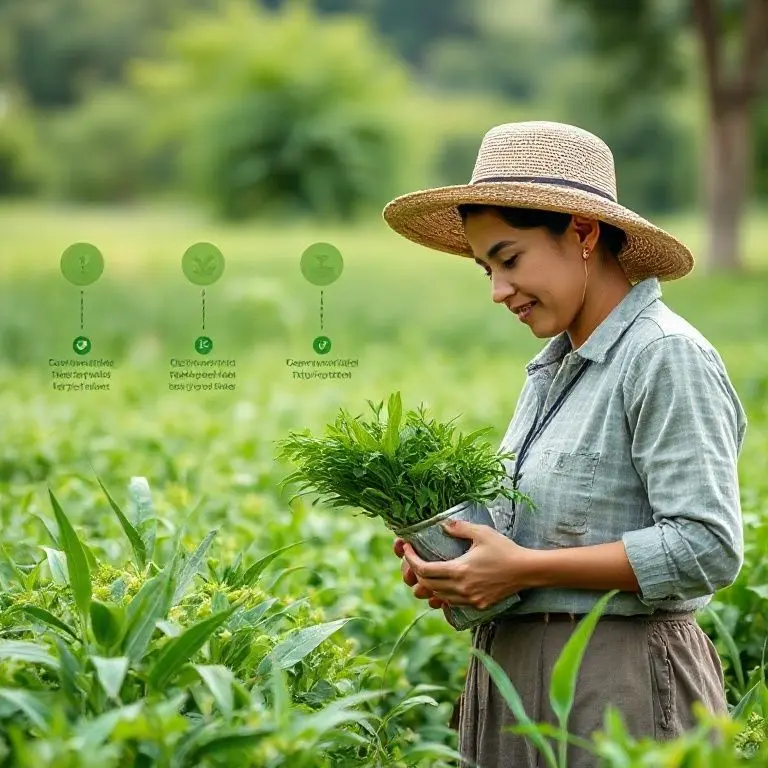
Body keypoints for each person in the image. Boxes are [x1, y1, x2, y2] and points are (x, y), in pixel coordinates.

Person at [381, 121, 748, 767]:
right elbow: (538, 533)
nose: (498, 291)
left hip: (623, 688)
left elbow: (707, 547)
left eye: (509, 259)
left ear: (582, 233)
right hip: (516, 684)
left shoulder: (663, 356)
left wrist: (525, 569)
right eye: (486, 269)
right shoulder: (554, 369)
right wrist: (458, 565)